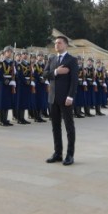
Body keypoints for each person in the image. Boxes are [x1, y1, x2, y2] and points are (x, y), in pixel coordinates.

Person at [44, 36, 79, 166]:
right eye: (55, 43)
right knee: (55, 127)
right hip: (52, 98)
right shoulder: (52, 58)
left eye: (59, 43)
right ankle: (57, 153)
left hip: (65, 99)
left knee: (69, 127)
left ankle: (70, 155)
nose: (57, 45)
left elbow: (74, 81)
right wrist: (56, 72)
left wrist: (70, 96)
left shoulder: (72, 60)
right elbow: (45, 74)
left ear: (66, 45)